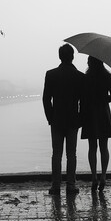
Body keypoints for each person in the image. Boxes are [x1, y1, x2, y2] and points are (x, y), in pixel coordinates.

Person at [42, 44, 85, 195]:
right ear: (72, 56)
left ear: (60, 56)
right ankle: (71, 185)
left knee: (56, 154)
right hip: (73, 120)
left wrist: (50, 118)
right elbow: (83, 102)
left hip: (57, 120)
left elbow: (46, 99)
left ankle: (55, 186)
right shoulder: (80, 77)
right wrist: (80, 119)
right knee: (71, 154)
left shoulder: (51, 74)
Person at [81, 56, 111, 192]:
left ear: (91, 62)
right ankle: (103, 176)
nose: (86, 62)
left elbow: (82, 97)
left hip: (90, 114)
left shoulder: (86, 78)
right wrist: (103, 100)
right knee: (104, 147)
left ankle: (94, 177)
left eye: (88, 60)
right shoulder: (107, 77)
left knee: (92, 147)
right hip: (103, 113)